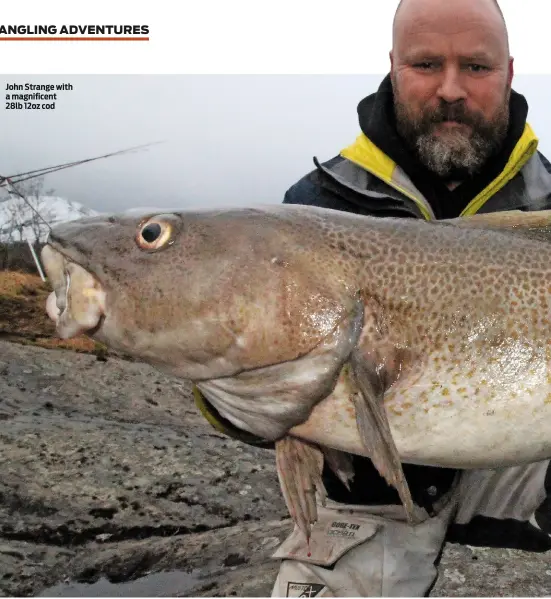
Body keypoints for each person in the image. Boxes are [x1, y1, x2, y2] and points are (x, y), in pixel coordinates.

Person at [195, 0, 551, 595]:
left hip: (520, 458)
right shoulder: (316, 205)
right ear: (393, 67)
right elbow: (241, 391)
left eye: (477, 67)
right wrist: (227, 383)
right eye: (426, 63)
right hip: (369, 489)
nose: (450, 88)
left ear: (511, 71)